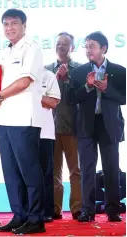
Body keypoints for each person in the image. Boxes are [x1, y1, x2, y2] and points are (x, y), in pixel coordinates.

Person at [0, 9, 45, 234]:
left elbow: (25, 81)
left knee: (29, 170)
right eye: (6, 24)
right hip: (4, 118)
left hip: (24, 118)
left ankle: (36, 218)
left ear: (24, 25)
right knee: (11, 172)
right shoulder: (4, 51)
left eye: (14, 23)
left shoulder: (32, 48)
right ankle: (19, 215)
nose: (9, 28)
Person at [68, 31, 125, 222]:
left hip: (109, 125)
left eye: (92, 46)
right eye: (86, 47)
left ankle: (113, 210)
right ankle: (87, 210)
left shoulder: (119, 70)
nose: (87, 50)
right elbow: (71, 98)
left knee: (111, 168)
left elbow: (124, 97)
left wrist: (106, 89)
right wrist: (87, 87)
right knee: (87, 169)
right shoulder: (79, 72)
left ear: (104, 48)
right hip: (86, 125)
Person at [45, 32, 82, 220]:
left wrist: (67, 79)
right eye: (58, 43)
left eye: (65, 44)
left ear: (72, 47)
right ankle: (54, 208)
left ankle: (77, 208)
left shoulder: (80, 70)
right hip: (49, 127)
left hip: (73, 126)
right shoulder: (46, 69)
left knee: (76, 171)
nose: (61, 46)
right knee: (53, 171)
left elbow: (80, 97)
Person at [39, 69, 61, 222]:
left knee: (46, 173)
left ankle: (47, 211)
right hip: (20, 130)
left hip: (44, 132)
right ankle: (26, 210)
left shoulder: (48, 75)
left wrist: (29, 93)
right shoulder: (14, 75)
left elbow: (52, 102)